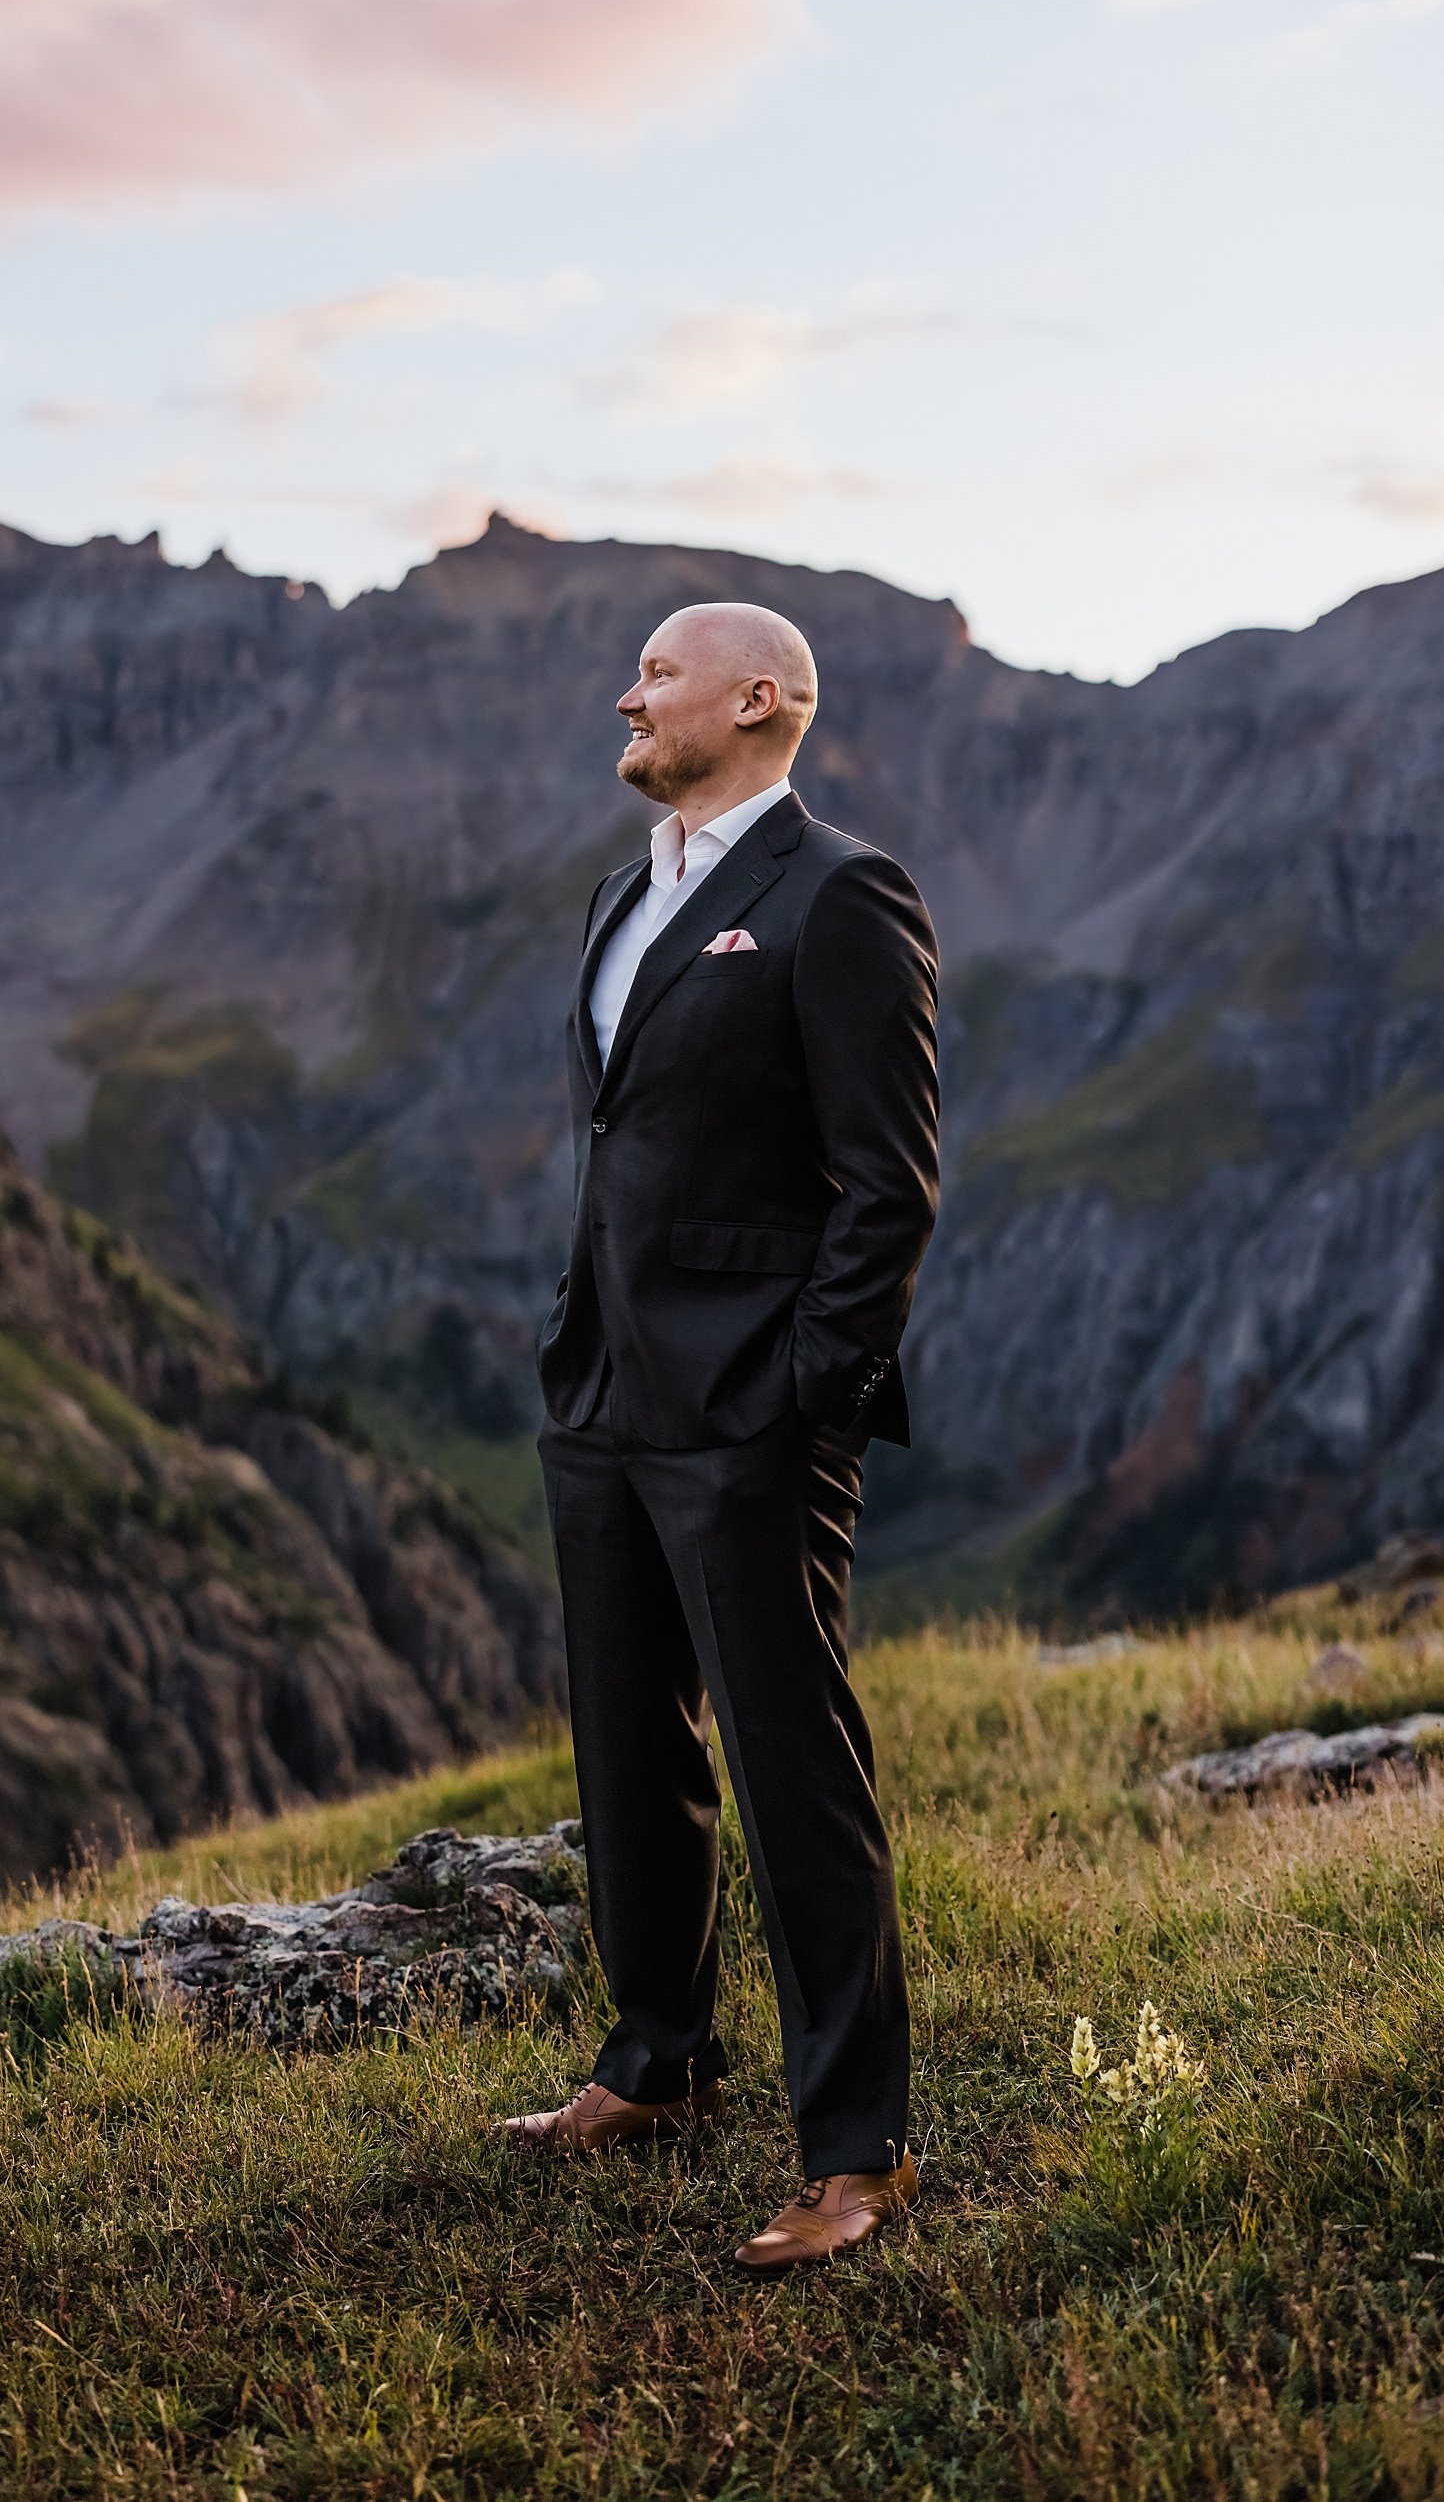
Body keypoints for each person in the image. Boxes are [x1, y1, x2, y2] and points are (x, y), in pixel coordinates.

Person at [497, 601, 941, 2274]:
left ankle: (859, 2150)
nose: (625, 691)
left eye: (658, 672)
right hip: (606, 1395)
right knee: (628, 1749)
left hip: (749, 1410)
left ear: (757, 700)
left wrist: (803, 1395)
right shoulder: (630, 893)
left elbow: (887, 1179)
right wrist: (578, 1343)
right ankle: (657, 2061)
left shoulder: (841, 894)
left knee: (789, 1763)